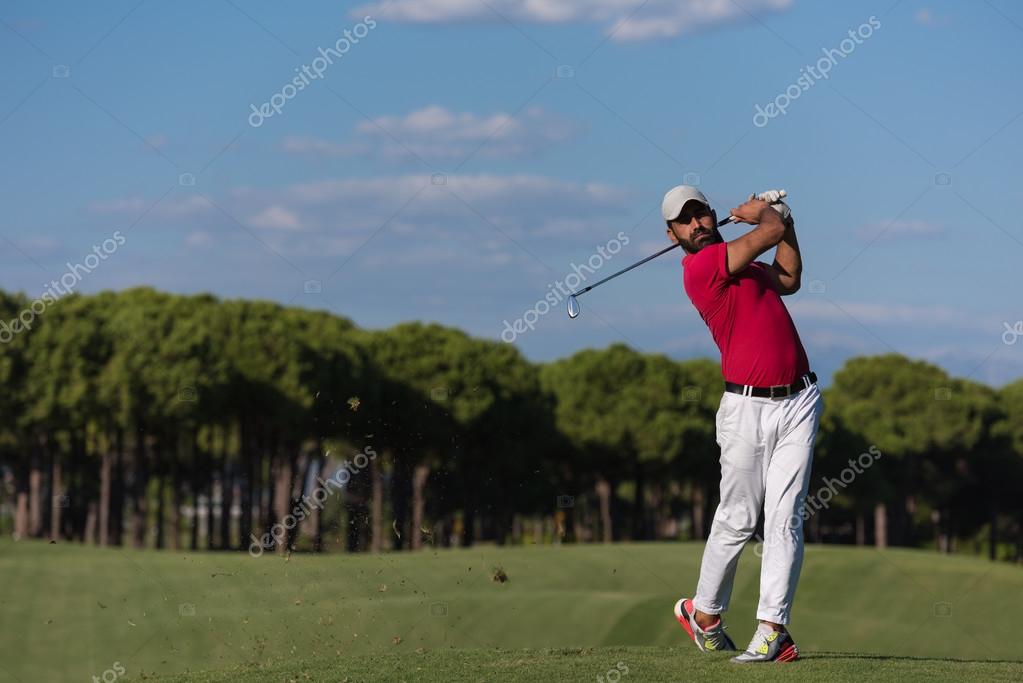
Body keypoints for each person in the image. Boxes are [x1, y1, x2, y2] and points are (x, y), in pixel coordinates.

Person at [663, 185, 823, 664]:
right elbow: (769, 230)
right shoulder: (701, 268)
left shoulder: (744, 266)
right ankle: (705, 615)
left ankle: (773, 630)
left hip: (799, 400)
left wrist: (783, 221)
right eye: (684, 221)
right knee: (736, 519)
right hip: (745, 409)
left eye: (701, 214)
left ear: (713, 216)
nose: (696, 224)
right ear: (672, 236)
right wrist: (768, 215)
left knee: (784, 519)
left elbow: (789, 276)